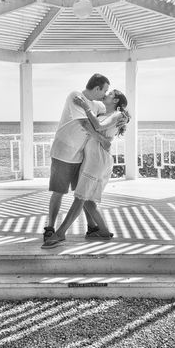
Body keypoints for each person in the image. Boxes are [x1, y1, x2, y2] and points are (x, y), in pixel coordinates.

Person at [42, 90, 129, 249]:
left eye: (109, 94)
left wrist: (83, 106)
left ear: (116, 100)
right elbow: (97, 124)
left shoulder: (117, 114)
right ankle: (103, 231)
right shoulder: (104, 112)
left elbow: (98, 125)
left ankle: (60, 233)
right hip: (90, 157)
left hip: (98, 158)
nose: (105, 95)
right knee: (87, 200)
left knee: (80, 198)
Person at [43, 74, 112, 242]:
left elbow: (111, 110)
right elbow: (85, 124)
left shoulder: (96, 105)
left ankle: (92, 227)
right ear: (97, 88)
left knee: (83, 194)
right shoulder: (76, 96)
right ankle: (50, 227)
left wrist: (123, 116)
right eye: (104, 90)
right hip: (64, 153)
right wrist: (102, 139)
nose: (105, 94)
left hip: (81, 155)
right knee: (58, 192)